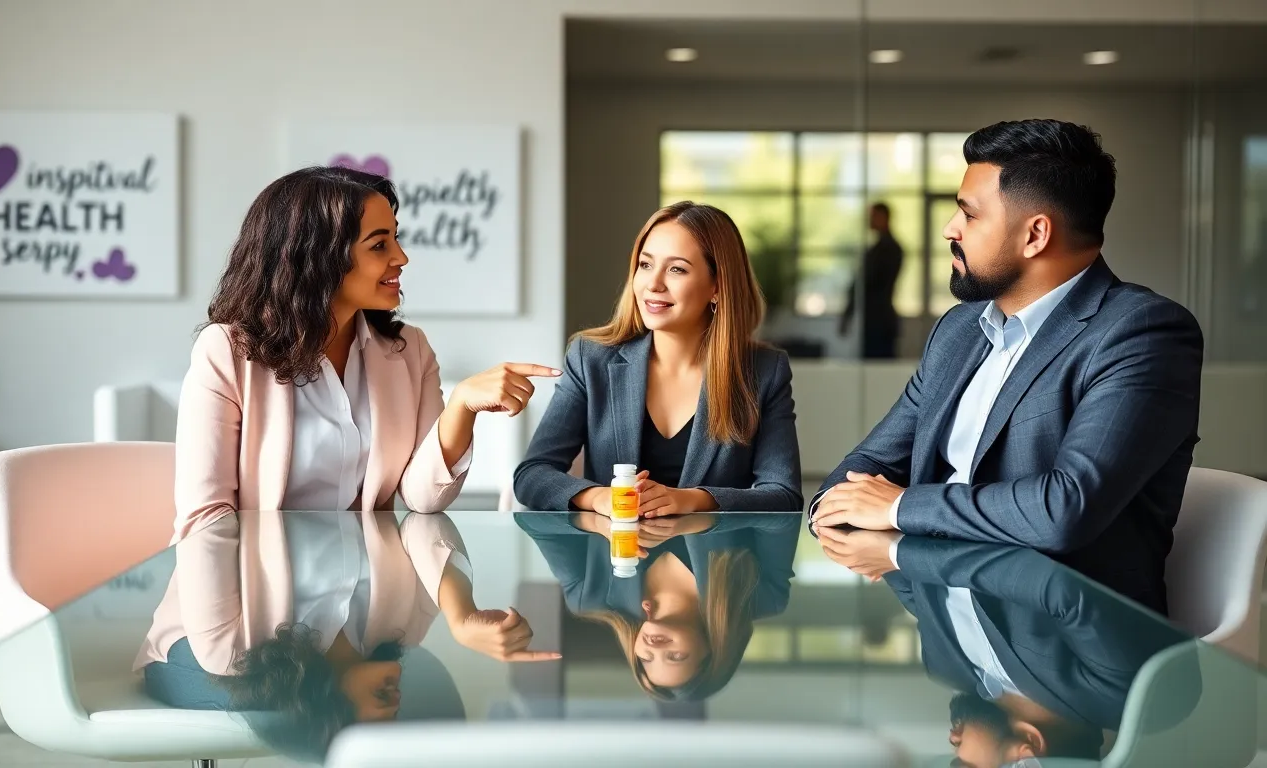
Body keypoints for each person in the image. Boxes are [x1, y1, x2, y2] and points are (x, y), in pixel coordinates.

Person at [133, 167, 560, 721]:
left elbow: (423, 501)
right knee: (302, 712)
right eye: (380, 244)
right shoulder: (229, 351)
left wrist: (460, 409)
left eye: (396, 237)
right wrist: (231, 652)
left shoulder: (408, 351)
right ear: (318, 256)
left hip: (364, 597)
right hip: (236, 626)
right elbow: (207, 515)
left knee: (438, 710)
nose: (401, 257)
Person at [808, 119, 1204, 614]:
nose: (950, 229)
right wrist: (839, 507)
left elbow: (1064, 510)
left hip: (1072, 652)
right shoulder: (959, 330)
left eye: (969, 215)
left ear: (1035, 234)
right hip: (952, 622)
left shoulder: (1142, 332)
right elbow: (861, 471)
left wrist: (897, 506)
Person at [512, 201, 803, 516]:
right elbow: (533, 474)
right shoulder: (590, 358)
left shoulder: (764, 371)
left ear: (717, 286)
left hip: (713, 562)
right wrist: (598, 498)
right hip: (617, 558)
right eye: (646, 264)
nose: (653, 284)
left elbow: (783, 494)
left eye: (676, 269)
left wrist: (690, 499)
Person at [822, 531, 1198, 766]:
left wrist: (877, 547)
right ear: (1027, 753)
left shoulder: (948, 668)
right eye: (963, 766)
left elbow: (916, 589)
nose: (952, 743)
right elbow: (1056, 587)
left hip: (927, 489)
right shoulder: (1116, 691)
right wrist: (898, 553)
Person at [514, 511, 798, 699]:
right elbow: (783, 518)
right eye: (675, 656)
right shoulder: (761, 597)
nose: (655, 649)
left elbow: (531, 519)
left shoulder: (591, 598)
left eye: (646, 659)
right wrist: (696, 512)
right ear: (712, 648)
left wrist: (598, 520)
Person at [840, 202, 905, 359]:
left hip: (878, 320)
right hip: (877, 318)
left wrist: (848, 312)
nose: (870, 221)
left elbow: (867, 282)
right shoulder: (884, 249)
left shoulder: (887, 250)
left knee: (877, 366)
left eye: (873, 216)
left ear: (883, 218)